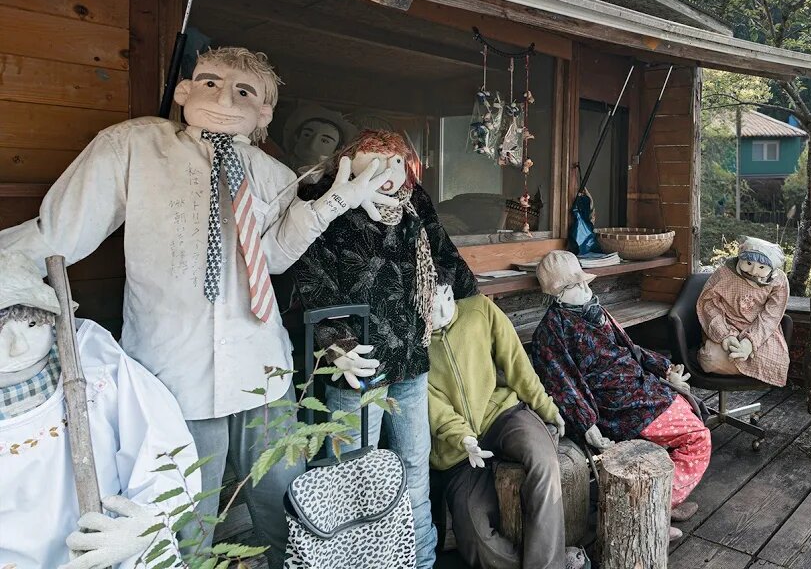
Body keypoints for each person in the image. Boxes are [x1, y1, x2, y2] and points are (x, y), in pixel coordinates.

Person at [0, 47, 394, 567]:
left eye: (244, 92)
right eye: (209, 83)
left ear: (264, 114)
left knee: (288, 511)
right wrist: (10, 270)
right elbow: (59, 232)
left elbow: (273, 254)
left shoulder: (272, 173)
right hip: (172, 379)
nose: (224, 97)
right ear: (183, 91)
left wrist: (332, 205)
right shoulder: (133, 147)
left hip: (262, 371)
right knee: (186, 522)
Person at [293, 130, 479, 569]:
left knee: (414, 465)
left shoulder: (415, 203)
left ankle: (420, 560)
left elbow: (445, 256)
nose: (387, 172)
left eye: (396, 162)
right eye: (373, 162)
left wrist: (445, 294)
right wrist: (333, 342)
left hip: (410, 358)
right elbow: (309, 276)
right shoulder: (324, 201)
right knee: (350, 472)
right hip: (357, 362)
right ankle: (352, 561)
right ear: (348, 162)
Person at [0, 251, 198, 569]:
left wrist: (144, 524)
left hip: (115, 542)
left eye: (33, 322)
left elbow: (157, 436)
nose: (19, 346)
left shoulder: (90, 357)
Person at [530, 251, 711, 540]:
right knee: (697, 439)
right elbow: (561, 384)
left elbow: (630, 350)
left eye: (585, 283)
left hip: (642, 390)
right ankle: (649, 511)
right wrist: (587, 423)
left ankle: (662, 495)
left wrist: (665, 370)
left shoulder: (595, 312)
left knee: (692, 411)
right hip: (619, 406)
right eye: (576, 286)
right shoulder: (552, 332)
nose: (587, 290)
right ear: (557, 293)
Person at [426, 283, 584, 569]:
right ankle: (547, 562)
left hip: (503, 413)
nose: (440, 312)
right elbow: (431, 403)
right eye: (430, 307)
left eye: (444, 300)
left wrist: (546, 407)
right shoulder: (412, 340)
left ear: (450, 291)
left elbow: (516, 363)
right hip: (458, 450)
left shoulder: (479, 308)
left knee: (543, 460)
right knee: (473, 534)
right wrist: (462, 437)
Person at [695, 237, 790, 386]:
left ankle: (740, 360)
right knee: (709, 358)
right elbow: (708, 303)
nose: (753, 271)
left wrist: (749, 343)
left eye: (761, 267)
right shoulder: (724, 273)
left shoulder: (779, 281)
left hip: (760, 328)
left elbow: (771, 315)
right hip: (727, 323)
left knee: (775, 361)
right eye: (749, 263)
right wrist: (725, 335)